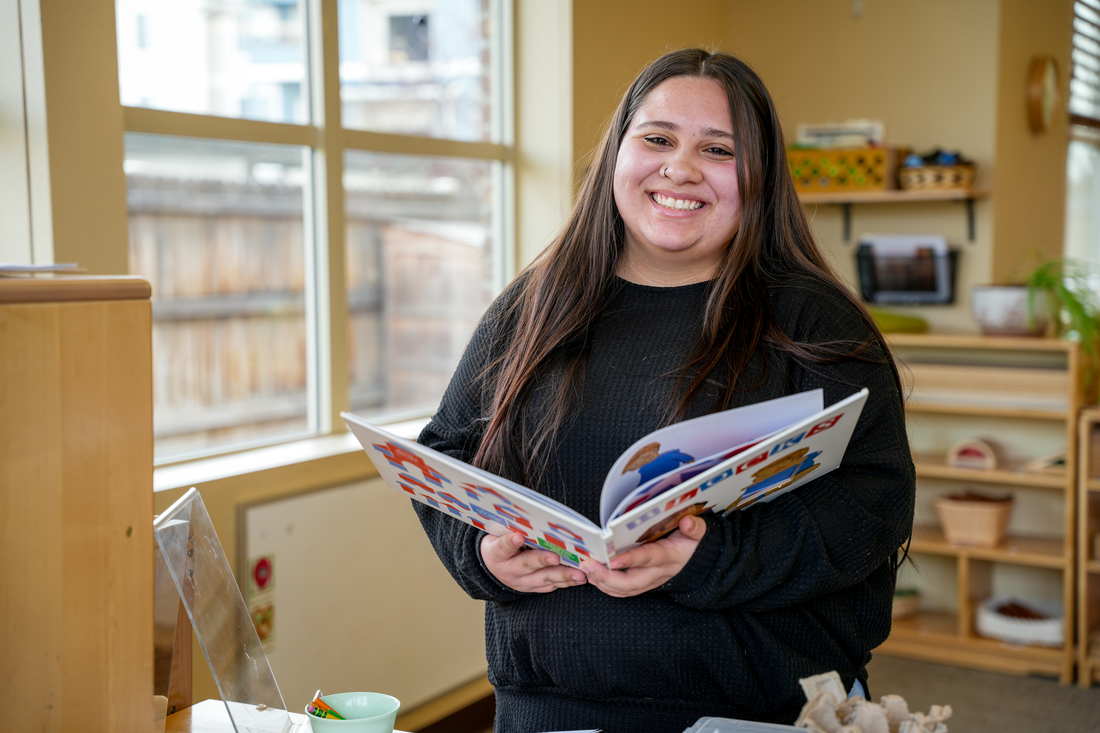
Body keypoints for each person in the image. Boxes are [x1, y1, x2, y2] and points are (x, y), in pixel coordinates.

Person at [413, 48, 915, 733]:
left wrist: (712, 557)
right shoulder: (532, 306)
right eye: (657, 139)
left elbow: (872, 507)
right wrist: (482, 552)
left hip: (754, 716)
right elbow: (446, 456)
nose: (680, 168)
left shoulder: (814, 322)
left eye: (717, 149)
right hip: (545, 712)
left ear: (758, 176)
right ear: (617, 153)